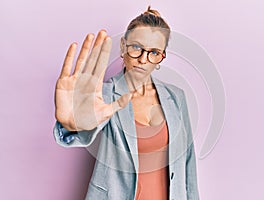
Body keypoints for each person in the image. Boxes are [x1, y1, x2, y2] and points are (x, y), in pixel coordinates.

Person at [54, 6, 199, 200]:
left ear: (161, 56)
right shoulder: (102, 95)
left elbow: (188, 163)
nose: (143, 60)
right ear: (123, 46)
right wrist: (71, 126)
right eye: (136, 48)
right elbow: (85, 128)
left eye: (154, 52)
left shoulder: (176, 97)